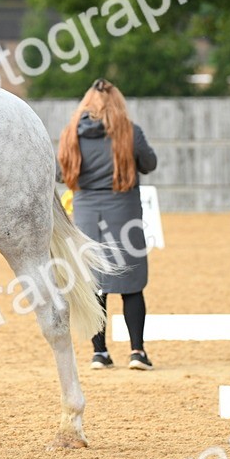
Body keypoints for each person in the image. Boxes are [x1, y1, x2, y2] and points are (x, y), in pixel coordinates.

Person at [58, 79, 158, 370]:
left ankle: (99, 353)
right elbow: (149, 163)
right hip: (124, 215)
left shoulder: (71, 135)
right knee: (132, 286)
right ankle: (137, 351)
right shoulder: (130, 132)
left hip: (87, 216)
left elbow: (60, 172)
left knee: (94, 287)